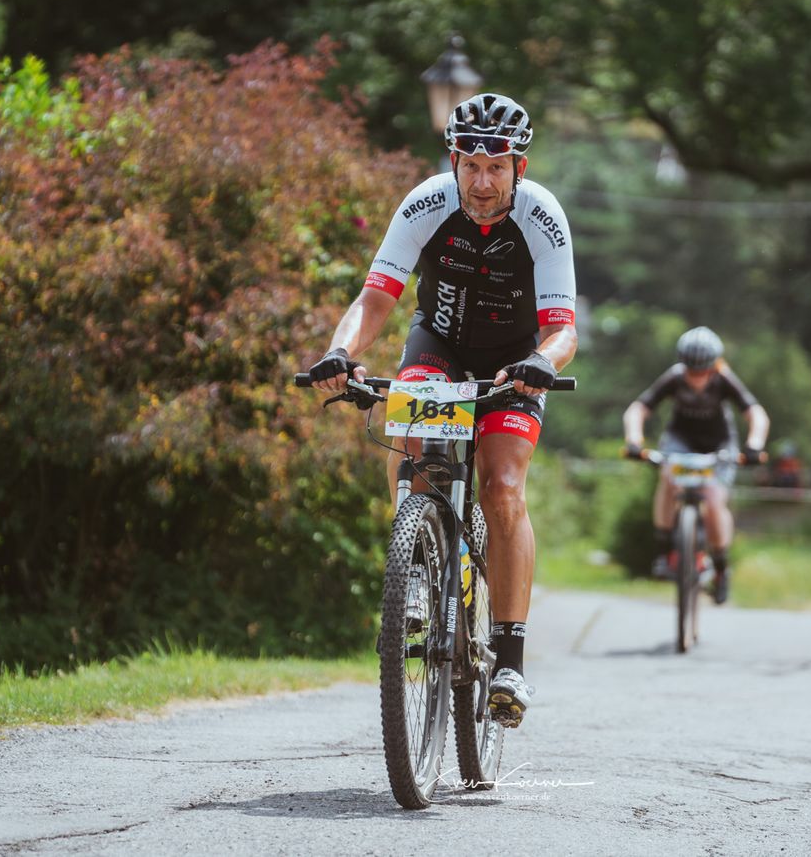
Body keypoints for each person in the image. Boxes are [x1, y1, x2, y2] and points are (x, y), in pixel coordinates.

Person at [306, 93, 577, 728]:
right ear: (453, 161)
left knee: (502, 486)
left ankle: (509, 659)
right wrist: (340, 352)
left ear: (519, 167)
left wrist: (543, 361)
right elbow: (375, 299)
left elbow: (563, 329)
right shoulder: (426, 203)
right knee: (412, 439)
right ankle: (417, 573)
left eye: (496, 168)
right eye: (470, 166)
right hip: (440, 346)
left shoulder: (543, 216)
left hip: (516, 361)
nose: (482, 183)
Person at [622, 327, 769, 605]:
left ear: (714, 367)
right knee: (669, 479)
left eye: (703, 371)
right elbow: (638, 408)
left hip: (719, 444)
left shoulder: (724, 379)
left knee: (713, 499)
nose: (696, 377)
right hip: (680, 441)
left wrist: (754, 445)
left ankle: (721, 567)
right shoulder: (674, 377)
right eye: (691, 370)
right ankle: (665, 550)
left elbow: (755, 413)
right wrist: (634, 440)